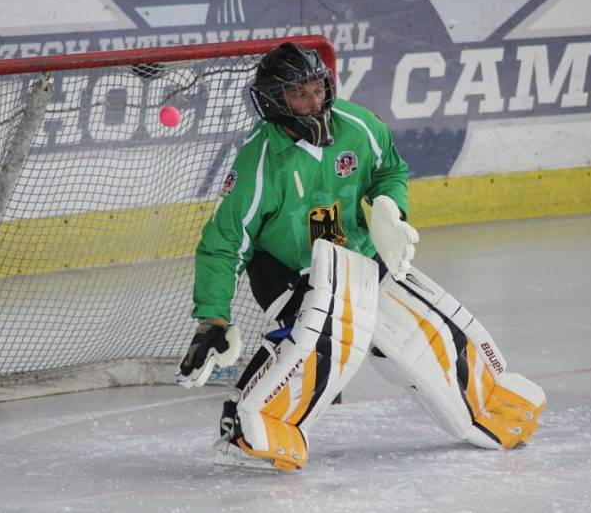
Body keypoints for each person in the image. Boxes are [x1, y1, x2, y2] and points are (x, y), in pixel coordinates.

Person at [176, 42, 546, 471]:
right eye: (299, 94)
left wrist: (390, 209)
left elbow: (390, 168)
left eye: (317, 89)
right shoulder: (258, 164)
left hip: (355, 254)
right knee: (319, 337)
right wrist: (213, 317)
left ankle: (490, 403)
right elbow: (223, 243)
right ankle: (247, 423)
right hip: (287, 271)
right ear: (275, 101)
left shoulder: (357, 125)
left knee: (421, 332)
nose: (313, 101)